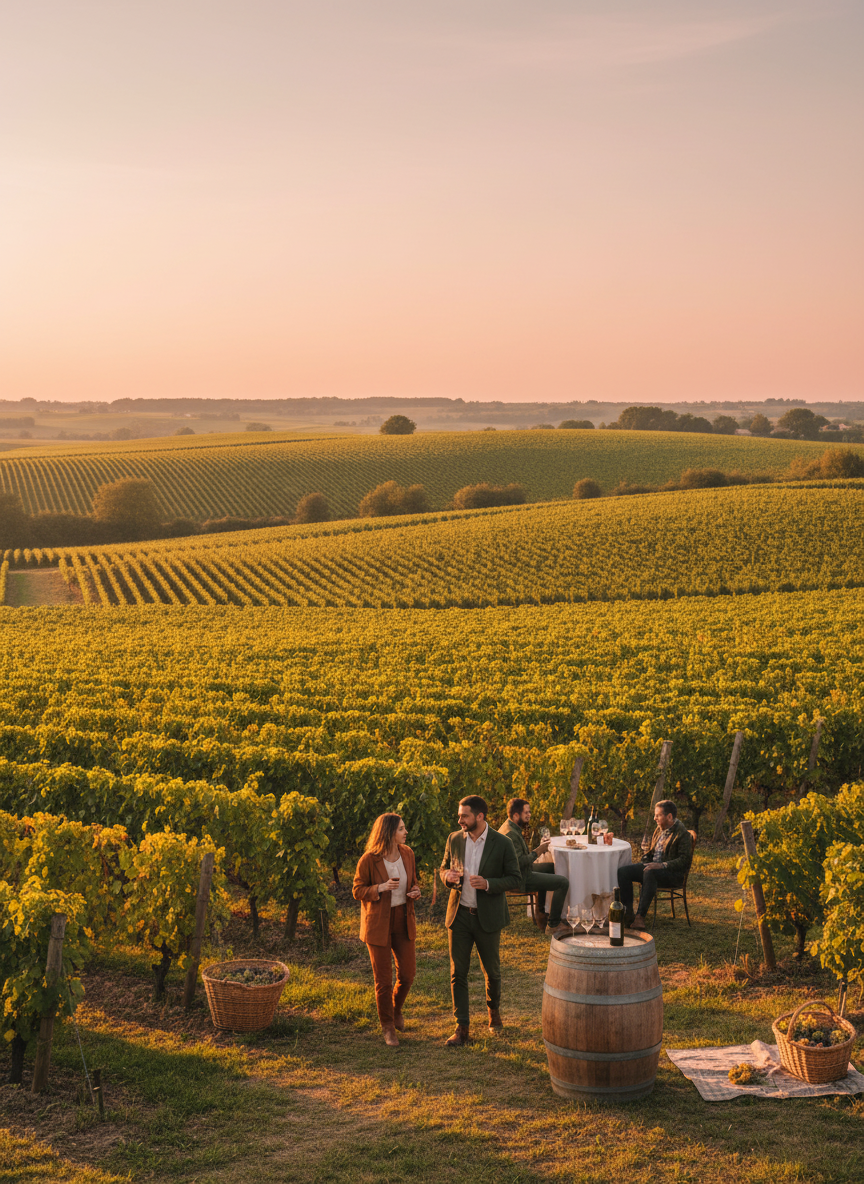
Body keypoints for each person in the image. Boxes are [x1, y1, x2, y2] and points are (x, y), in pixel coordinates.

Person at [439, 795, 521, 1047]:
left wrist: (488, 884)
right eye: (459, 815)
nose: (459, 819)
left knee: (492, 972)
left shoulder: (502, 843)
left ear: (480, 817)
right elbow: (443, 868)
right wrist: (447, 878)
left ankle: (493, 1011)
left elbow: (515, 879)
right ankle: (461, 1027)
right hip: (460, 915)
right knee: (457, 973)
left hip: (487, 917)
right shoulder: (454, 839)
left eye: (464, 815)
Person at [352, 813, 421, 1049]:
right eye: (402, 829)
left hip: (403, 918)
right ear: (390, 832)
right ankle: (388, 1026)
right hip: (378, 923)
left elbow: (413, 882)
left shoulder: (408, 853)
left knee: (408, 974)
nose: (405, 832)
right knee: (383, 979)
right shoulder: (369, 860)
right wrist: (380, 887)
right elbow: (357, 890)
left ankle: (396, 1009)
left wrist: (416, 891)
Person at [499, 798, 571, 939]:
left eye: (529, 812)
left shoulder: (509, 826)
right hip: (520, 878)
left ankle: (541, 912)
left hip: (522, 871)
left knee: (553, 867)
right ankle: (553, 924)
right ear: (515, 815)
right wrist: (538, 851)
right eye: (526, 812)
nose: (529, 815)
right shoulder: (511, 834)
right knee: (563, 882)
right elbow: (520, 862)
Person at [617, 800, 693, 930]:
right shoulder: (660, 829)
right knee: (623, 872)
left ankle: (640, 917)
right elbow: (651, 852)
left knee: (650, 872)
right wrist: (646, 857)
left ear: (669, 816)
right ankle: (628, 913)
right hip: (653, 868)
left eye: (658, 815)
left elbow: (684, 860)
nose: (655, 818)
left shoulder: (683, 835)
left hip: (671, 874)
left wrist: (662, 865)